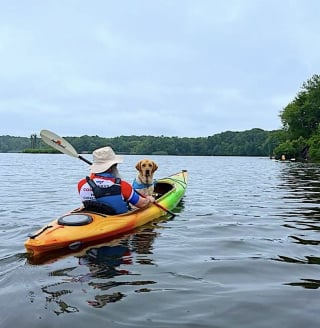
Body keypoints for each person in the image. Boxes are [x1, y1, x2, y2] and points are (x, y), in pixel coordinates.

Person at [78, 146, 155, 214]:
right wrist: (149, 199)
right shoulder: (123, 185)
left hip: (94, 217)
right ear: (113, 166)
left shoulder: (82, 184)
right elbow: (142, 204)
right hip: (117, 219)